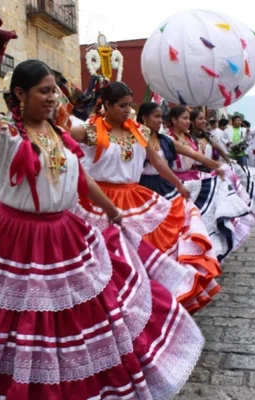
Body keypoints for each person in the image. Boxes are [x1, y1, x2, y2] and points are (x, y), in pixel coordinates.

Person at [0, 57, 204, 400]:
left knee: (80, 313)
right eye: (44, 92)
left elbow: (81, 177)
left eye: (54, 93)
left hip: (63, 233)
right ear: (20, 93)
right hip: (20, 241)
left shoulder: (57, 133)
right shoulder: (5, 134)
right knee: (26, 322)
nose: (52, 99)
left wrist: (111, 210)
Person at [71, 83, 221, 312]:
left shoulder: (138, 131)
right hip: (99, 199)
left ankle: (145, 302)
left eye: (129, 105)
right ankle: (112, 305)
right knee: (108, 256)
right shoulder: (91, 130)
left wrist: (178, 184)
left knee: (145, 250)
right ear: (107, 105)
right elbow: (59, 137)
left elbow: (158, 162)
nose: (126, 110)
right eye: (121, 106)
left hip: (133, 196)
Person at [137, 102, 255, 261]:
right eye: (156, 116)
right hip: (143, 187)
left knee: (177, 223)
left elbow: (193, 154)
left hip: (165, 183)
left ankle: (173, 259)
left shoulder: (165, 140)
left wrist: (218, 165)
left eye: (161, 116)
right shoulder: (135, 138)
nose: (160, 120)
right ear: (144, 118)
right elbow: (157, 164)